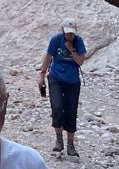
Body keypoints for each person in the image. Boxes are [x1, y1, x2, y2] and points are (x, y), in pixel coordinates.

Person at [37, 17, 91, 158]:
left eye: (71, 33)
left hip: (72, 81)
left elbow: (80, 62)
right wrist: (42, 75)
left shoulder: (78, 42)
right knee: (57, 107)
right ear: (62, 31)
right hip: (56, 77)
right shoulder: (56, 40)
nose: (69, 35)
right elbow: (48, 57)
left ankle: (71, 144)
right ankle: (59, 139)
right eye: (67, 33)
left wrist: (71, 49)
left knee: (71, 111)